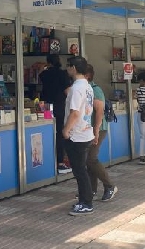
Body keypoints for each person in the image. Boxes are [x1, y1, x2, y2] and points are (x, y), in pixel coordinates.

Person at [63, 56, 95, 216]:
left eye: (68, 66)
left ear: (74, 68)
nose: (67, 69)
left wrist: (65, 130)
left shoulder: (76, 88)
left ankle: (86, 203)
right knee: (82, 170)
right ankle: (85, 199)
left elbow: (75, 113)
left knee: (79, 171)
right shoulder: (88, 87)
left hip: (77, 135)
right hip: (86, 132)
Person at [85, 64, 117, 202]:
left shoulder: (95, 90)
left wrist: (96, 130)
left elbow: (99, 111)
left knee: (91, 158)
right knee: (88, 160)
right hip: (88, 129)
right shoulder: (84, 89)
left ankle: (109, 185)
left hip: (98, 128)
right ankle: (91, 190)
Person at [39, 54, 72, 174]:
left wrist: (43, 68)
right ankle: (60, 162)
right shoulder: (63, 74)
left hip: (46, 107)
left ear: (48, 62)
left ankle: (49, 161)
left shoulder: (44, 74)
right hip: (60, 106)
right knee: (60, 134)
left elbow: (41, 75)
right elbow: (67, 91)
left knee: (48, 132)